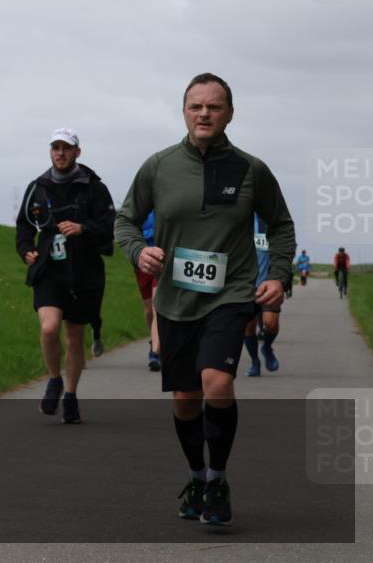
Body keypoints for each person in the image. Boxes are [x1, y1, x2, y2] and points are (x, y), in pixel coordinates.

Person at [115, 73, 295, 527]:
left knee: (216, 382)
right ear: (184, 112)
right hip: (176, 299)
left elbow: (281, 226)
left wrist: (277, 276)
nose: (204, 114)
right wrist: (141, 251)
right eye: (196, 106)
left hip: (230, 294)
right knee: (185, 397)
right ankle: (197, 476)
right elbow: (125, 221)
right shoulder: (158, 167)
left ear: (229, 113)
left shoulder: (251, 169)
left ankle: (217, 479)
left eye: (214, 107)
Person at [16, 128, 116, 424]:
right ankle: (54, 379)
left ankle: (70, 395)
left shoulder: (94, 187)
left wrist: (83, 228)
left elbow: (109, 224)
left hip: (84, 270)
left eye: (66, 148)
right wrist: (25, 251)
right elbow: (23, 227)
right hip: (49, 269)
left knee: (74, 337)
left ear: (77, 152)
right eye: (55, 147)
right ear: (50, 151)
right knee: (49, 328)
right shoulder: (38, 186)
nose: (60, 153)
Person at [243, 214, 282, 377]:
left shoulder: (272, 218)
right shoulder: (241, 217)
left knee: (271, 323)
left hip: (269, 281)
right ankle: (255, 362)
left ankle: (267, 347)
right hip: (245, 282)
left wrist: (281, 278)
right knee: (248, 326)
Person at [135, 210, 161, 371]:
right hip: (143, 260)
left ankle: (155, 352)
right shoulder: (141, 206)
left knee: (156, 306)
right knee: (148, 309)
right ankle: (153, 340)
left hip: (162, 258)